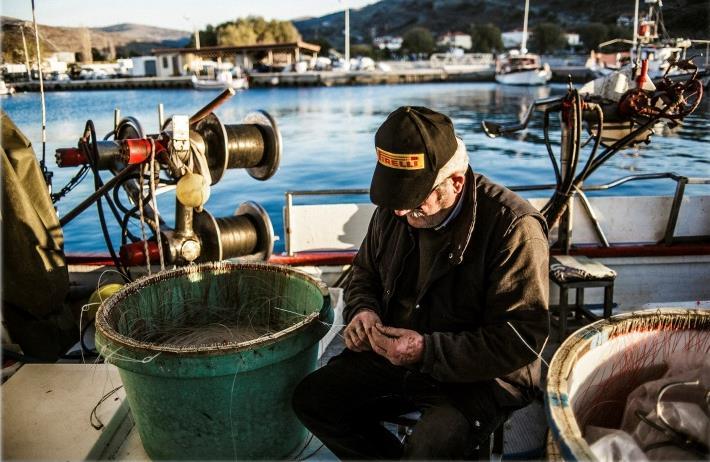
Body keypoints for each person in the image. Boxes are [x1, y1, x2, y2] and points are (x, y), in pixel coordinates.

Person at [292, 106, 549, 460]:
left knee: (432, 445)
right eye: (396, 197)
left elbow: (521, 341)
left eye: (413, 199)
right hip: (399, 359)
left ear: (456, 182)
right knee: (314, 400)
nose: (399, 212)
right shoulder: (395, 208)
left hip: (480, 377)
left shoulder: (513, 227)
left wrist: (427, 350)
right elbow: (363, 273)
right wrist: (362, 311)